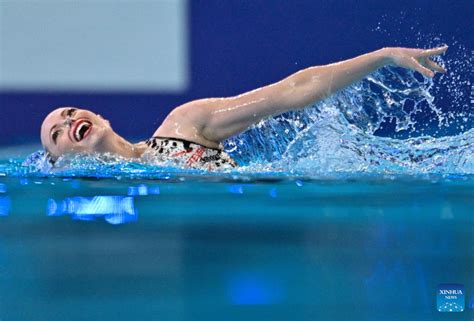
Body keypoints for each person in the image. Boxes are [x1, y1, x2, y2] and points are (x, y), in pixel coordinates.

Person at [40, 46, 448, 170]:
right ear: (55, 163)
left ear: (100, 117)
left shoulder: (181, 127)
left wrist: (382, 57)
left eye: (69, 112)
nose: (68, 121)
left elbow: (292, 90)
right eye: (56, 133)